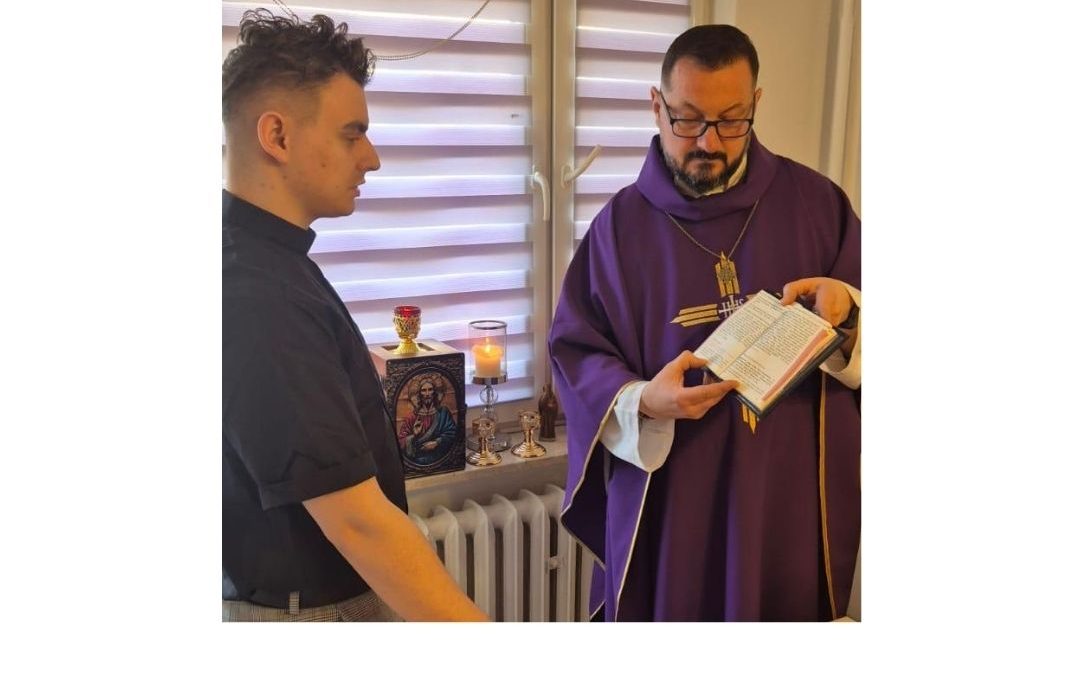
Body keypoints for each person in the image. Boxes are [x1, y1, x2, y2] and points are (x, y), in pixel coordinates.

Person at [549, 24, 861, 621]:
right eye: (688, 120)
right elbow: (575, 353)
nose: (708, 142)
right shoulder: (619, 230)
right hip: (674, 508)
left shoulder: (818, 205)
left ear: (755, 104)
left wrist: (848, 311)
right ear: (656, 105)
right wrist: (643, 400)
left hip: (787, 501)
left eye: (731, 120)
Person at [222, 8, 487, 622]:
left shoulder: (272, 262)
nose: (371, 158)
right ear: (277, 136)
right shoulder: (256, 291)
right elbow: (356, 521)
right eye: (352, 134)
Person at [398, 376, 457, 465]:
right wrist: (414, 436)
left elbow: (453, 433)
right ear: (419, 394)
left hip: (440, 458)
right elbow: (401, 441)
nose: (427, 393)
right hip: (418, 460)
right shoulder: (412, 417)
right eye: (423, 390)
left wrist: (437, 442)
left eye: (430, 389)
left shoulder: (443, 412)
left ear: (435, 392)